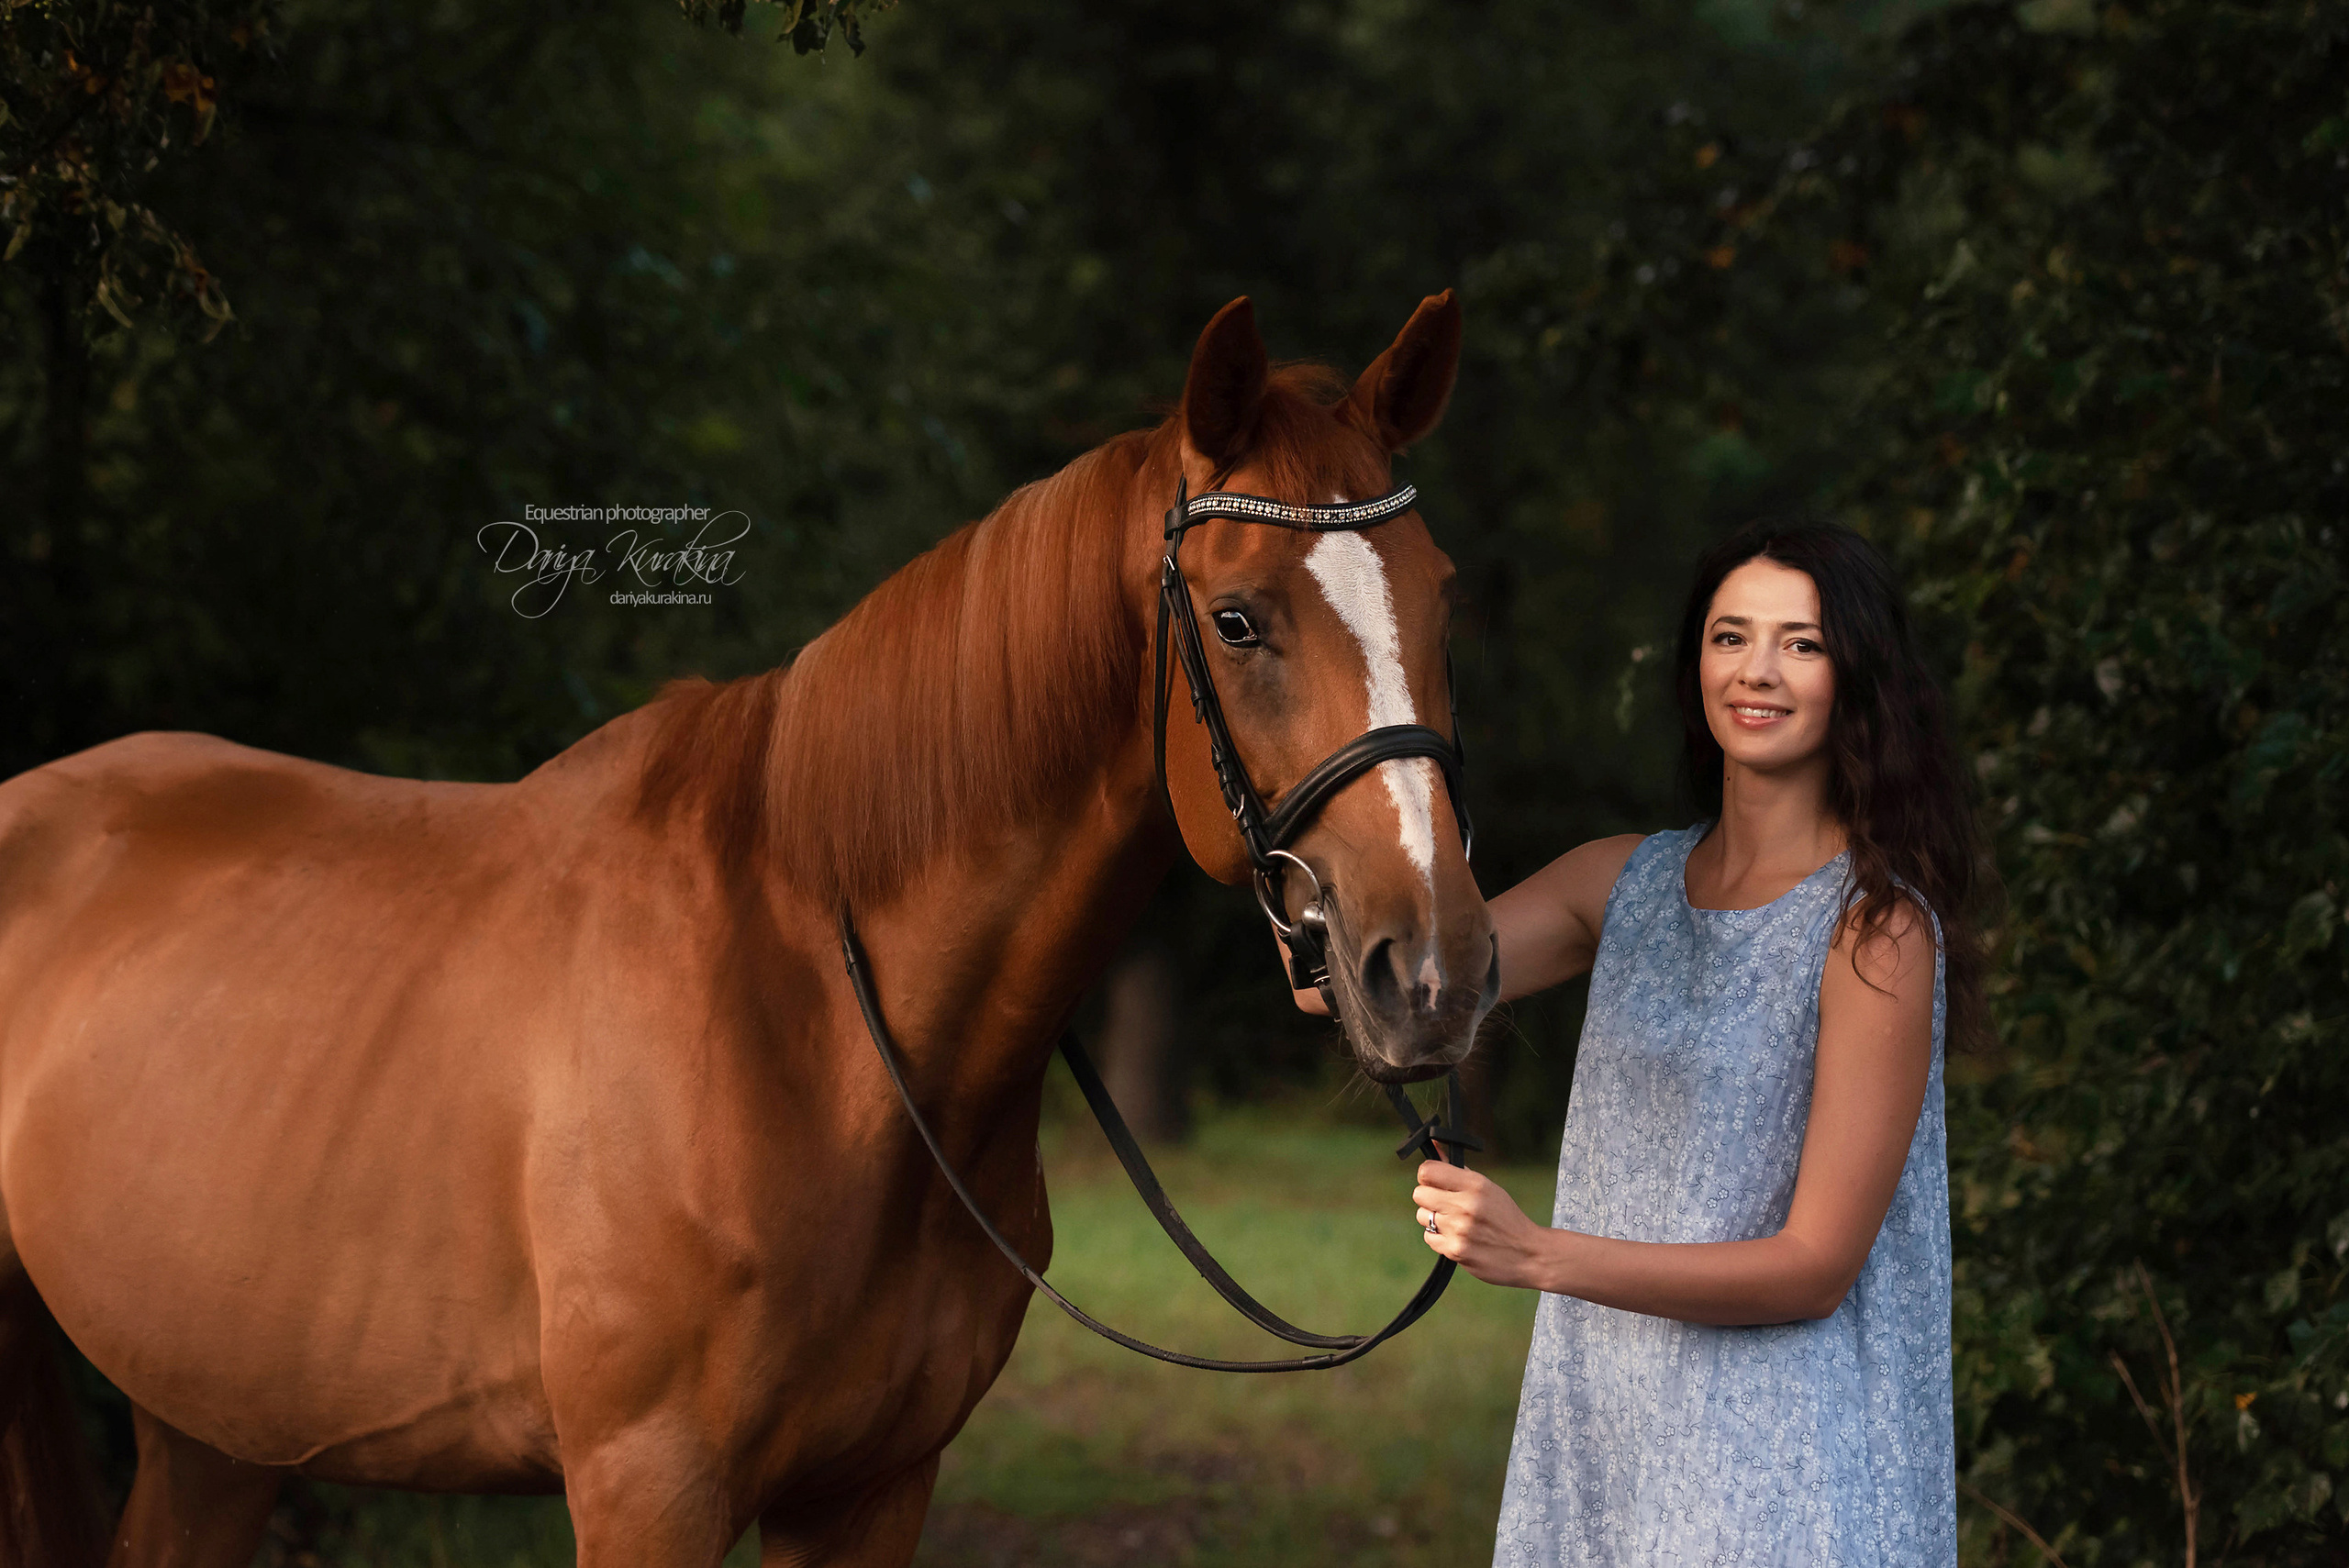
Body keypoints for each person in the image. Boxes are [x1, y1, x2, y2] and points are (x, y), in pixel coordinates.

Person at [1316, 518, 1989, 1564]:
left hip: (1784, 1477)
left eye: (1801, 643)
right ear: (1695, 665)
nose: (1757, 670)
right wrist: (1314, 826)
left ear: (1856, 677)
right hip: (1606, 1444)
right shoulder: (1616, 882)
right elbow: (1370, 980)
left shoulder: (1876, 932)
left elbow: (1814, 1266)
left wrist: (1535, 1251)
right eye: (1731, 636)